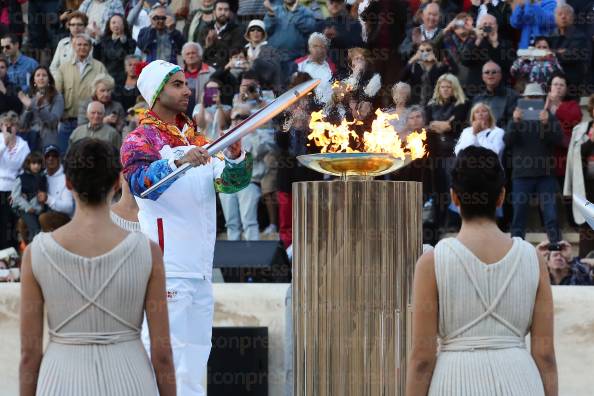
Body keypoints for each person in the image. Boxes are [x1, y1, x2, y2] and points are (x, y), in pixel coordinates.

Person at [120, 60, 252, 396]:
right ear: (157, 91)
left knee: (195, 361)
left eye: (185, 83)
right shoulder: (140, 139)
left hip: (200, 269)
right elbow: (139, 184)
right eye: (177, 84)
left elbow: (231, 184)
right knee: (162, 359)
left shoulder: (198, 138)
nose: (186, 90)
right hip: (168, 268)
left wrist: (235, 158)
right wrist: (179, 161)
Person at [19, 138, 176, 396]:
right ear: (117, 182)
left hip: (61, 382)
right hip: (131, 381)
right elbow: (162, 354)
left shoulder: (36, 253)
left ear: (68, 183)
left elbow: (29, 355)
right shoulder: (148, 252)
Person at [407, 146, 557, 396]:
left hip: (454, 381)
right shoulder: (533, 259)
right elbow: (545, 354)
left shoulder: (431, 262)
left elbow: (422, 359)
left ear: (454, 197)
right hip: (520, 381)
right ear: (501, 196)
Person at [505, 82, 563, 243]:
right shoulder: (516, 117)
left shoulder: (549, 117)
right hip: (522, 174)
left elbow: (558, 140)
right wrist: (516, 122)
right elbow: (507, 141)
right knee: (519, 216)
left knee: (551, 216)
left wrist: (546, 124)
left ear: (542, 99)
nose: (533, 100)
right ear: (524, 99)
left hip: (545, 174)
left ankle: (555, 248)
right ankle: (516, 250)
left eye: (536, 97)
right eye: (530, 97)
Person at [219, 106, 273, 240]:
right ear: (231, 118)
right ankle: (233, 257)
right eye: (236, 117)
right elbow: (218, 157)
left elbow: (261, 151)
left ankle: (253, 257)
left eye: (243, 117)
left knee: (249, 222)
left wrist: (252, 131)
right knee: (231, 224)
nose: (239, 120)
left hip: (249, 182)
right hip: (227, 183)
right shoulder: (223, 134)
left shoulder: (258, 134)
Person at [426, 73, 469, 233]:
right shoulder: (431, 105)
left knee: (452, 188)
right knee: (438, 189)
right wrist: (442, 124)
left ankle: (453, 223)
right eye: (442, 86)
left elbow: (450, 127)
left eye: (448, 86)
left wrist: (440, 125)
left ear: (454, 88)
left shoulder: (462, 104)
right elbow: (428, 125)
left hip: (453, 153)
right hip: (435, 153)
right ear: (438, 88)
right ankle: (438, 224)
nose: (445, 89)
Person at [55, 33, 108, 155]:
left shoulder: (99, 67)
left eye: (85, 45)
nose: (82, 47)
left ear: (90, 47)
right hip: (68, 120)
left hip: (90, 122)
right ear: (73, 46)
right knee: (66, 155)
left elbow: (104, 92)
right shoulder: (64, 67)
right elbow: (58, 92)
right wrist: (60, 112)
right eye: (79, 44)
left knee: (87, 155)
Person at [564, 94, 594, 257]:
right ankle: (585, 273)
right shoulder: (580, 129)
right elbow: (573, 159)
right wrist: (591, 141)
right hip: (586, 191)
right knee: (587, 242)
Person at [0, 111, 31, 250]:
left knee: (10, 222)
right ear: (1, 126)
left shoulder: (23, 145)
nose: (9, 129)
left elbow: (25, 169)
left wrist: (19, 191)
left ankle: (10, 253)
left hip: (13, 188)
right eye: (6, 126)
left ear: (16, 127)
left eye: (12, 126)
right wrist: (4, 144)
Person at [460, 13, 513, 91]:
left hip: (499, 90)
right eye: (485, 24)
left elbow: (509, 65)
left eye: (491, 24)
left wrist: (495, 44)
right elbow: (465, 61)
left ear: (497, 27)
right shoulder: (472, 41)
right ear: (479, 27)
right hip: (476, 89)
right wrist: (478, 40)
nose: (488, 26)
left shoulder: (505, 43)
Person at [18, 66, 65, 151]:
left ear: (49, 79)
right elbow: (22, 125)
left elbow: (53, 121)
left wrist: (37, 107)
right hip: (31, 140)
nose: (41, 78)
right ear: (34, 80)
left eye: (44, 75)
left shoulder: (57, 97)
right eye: (38, 75)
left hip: (48, 140)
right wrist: (28, 109)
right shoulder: (29, 96)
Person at [548, 3, 591, 94]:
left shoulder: (579, 36)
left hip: (572, 81)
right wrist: (559, 52)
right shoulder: (552, 35)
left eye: (567, 14)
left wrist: (554, 53)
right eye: (560, 14)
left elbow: (571, 56)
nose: (563, 17)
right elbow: (546, 53)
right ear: (555, 18)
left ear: (572, 17)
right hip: (553, 78)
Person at [546, 73, 582, 183]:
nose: (558, 87)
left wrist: (557, 105)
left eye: (561, 85)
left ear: (566, 89)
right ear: (550, 87)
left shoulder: (572, 104)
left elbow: (573, 119)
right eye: (555, 84)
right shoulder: (543, 103)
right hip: (544, 158)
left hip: (563, 157)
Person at [264, 0, 317, 70]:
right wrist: (271, 14)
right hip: (274, 58)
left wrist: (295, 13)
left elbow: (309, 28)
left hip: (295, 59)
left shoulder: (306, 11)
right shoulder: (275, 10)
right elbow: (266, 29)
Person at [10, 152, 47, 245]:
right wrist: (27, 207)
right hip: (25, 209)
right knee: (35, 229)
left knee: (41, 228)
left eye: (38, 163)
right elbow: (15, 196)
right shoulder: (21, 178)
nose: (36, 166)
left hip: (38, 209)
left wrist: (39, 208)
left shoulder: (43, 178)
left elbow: (42, 195)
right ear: (28, 164)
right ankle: (31, 251)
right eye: (33, 163)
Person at [318, 0, 363, 74]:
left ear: (343, 3)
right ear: (327, 3)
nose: (335, 5)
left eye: (338, 2)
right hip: (325, 73)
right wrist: (324, 39)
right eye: (332, 2)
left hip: (349, 72)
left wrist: (339, 37)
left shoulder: (354, 24)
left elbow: (359, 47)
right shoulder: (320, 25)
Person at [400, 40, 451, 106]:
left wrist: (435, 62)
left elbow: (437, 80)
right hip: (416, 104)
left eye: (428, 50)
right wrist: (411, 61)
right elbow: (401, 78)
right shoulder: (415, 66)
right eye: (422, 51)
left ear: (434, 51)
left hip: (435, 103)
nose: (425, 53)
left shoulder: (440, 66)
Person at [199, 0, 246, 69]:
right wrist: (207, 46)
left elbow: (235, 53)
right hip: (207, 69)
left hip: (228, 69)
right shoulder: (206, 29)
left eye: (226, 10)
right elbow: (199, 55)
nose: (223, 12)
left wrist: (217, 41)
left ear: (230, 12)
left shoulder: (237, 30)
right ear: (214, 12)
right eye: (220, 9)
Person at [38, 145, 75, 232]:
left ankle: (49, 245)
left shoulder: (65, 178)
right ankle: (29, 245)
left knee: (44, 218)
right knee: (22, 222)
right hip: (41, 212)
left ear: (59, 159)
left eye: (54, 156)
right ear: (44, 160)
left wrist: (48, 199)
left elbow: (69, 208)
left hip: (64, 218)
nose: (51, 158)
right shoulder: (40, 176)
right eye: (48, 156)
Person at [472, 61, 519, 128]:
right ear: (483, 77)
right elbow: (472, 121)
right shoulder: (477, 98)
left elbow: (513, 123)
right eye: (487, 72)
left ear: (500, 76)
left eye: (494, 72)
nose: (490, 74)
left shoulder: (512, 96)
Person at [93, 14, 137, 86]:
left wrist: (123, 42)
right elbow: (96, 58)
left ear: (124, 25)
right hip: (104, 77)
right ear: (109, 25)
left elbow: (124, 56)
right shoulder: (104, 41)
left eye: (119, 23)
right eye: (113, 23)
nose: (116, 25)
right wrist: (98, 38)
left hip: (122, 80)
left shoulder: (130, 42)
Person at [293, 32, 336, 103]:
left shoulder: (332, 67)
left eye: (321, 47)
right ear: (310, 47)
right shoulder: (298, 65)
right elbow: (292, 90)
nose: (318, 49)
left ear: (325, 50)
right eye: (315, 46)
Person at [50, 11, 89, 77]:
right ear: (68, 26)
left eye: (79, 24)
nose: (76, 27)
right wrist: (60, 80)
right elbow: (53, 67)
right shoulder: (62, 43)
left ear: (85, 26)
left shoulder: (93, 44)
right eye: (73, 25)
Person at [182, 41, 215, 117]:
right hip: (182, 116)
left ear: (200, 55)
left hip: (204, 115)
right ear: (184, 57)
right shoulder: (178, 73)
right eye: (188, 54)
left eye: (193, 53)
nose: (190, 56)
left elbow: (212, 99)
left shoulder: (211, 72)